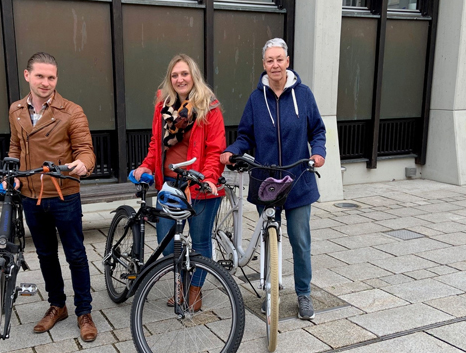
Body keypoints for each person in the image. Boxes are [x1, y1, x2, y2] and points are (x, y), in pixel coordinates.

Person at [221, 38, 326, 320]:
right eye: (270, 60)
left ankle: (303, 293)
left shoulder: (303, 95)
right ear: (264, 65)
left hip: (299, 179)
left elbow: (317, 130)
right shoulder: (256, 99)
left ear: (287, 61)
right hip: (265, 182)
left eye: (279, 59)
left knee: (300, 240)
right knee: (270, 239)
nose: (275, 65)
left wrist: (318, 153)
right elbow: (245, 135)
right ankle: (270, 291)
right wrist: (232, 150)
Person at [8, 52, 98, 341]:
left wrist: (84, 163)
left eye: (51, 77)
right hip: (31, 196)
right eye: (40, 76)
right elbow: (15, 148)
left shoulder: (71, 111)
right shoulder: (16, 110)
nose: (46, 82)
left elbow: (85, 148)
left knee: (76, 255)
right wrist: (15, 174)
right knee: (46, 254)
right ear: (27, 76)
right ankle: (57, 305)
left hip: (64, 194)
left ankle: (84, 311)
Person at [133, 54, 226, 311]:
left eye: (184, 74)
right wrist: (145, 166)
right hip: (170, 186)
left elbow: (215, 149)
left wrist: (208, 178)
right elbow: (156, 144)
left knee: (200, 241)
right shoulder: (163, 107)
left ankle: (194, 291)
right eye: (175, 75)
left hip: (199, 184)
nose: (180, 79)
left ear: (193, 76)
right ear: (170, 79)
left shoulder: (209, 107)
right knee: (166, 241)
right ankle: (182, 282)